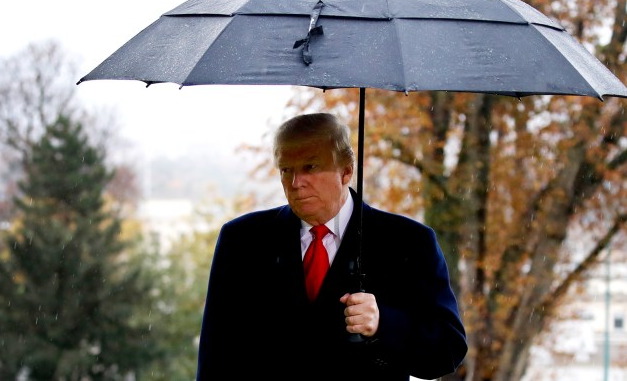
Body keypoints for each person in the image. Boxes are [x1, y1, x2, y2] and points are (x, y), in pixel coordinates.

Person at [197, 113, 467, 380]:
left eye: (310, 167)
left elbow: (448, 350)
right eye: (286, 169)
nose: (295, 183)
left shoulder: (408, 243)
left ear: (347, 170)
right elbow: (215, 361)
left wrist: (383, 323)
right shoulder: (242, 241)